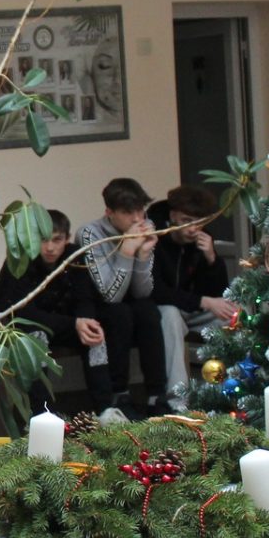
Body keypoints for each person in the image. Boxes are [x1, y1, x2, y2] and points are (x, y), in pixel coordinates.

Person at [0, 209, 118, 411]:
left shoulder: (75, 256)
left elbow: (85, 298)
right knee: (36, 338)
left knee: (94, 334)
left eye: (57, 240)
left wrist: (85, 321)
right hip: (25, 328)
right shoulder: (20, 259)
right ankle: (44, 412)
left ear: (67, 238)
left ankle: (105, 409)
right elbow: (21, 312)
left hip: (64, 324)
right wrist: (74, 323)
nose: (50, 247)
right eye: (43, 240)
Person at [75, 178, 169, 417]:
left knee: (148, 311)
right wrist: (127, 251)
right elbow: (111, 295)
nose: (137, 219)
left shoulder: (146, 226)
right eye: (128, 213)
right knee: (120, 313)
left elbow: (142, 292)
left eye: (140, 210)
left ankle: (156, 396)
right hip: (101, 306)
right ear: (109, 213)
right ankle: (120, 394)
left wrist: (143, 255)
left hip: (132, 303)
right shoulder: (90, 234)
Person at [146, 185, 238, 392]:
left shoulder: (202, 239)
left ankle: (230, 390)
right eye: (186, 221)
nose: (193, 229)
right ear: (173, 216)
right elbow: (156, 291)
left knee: (232, 312)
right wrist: (203, 301)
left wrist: (211, 259)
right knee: (170, 314)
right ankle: (178, 397)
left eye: (199, 222)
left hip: (191, 308)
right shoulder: (154, 238)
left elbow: (217, 294)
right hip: (161, 310)